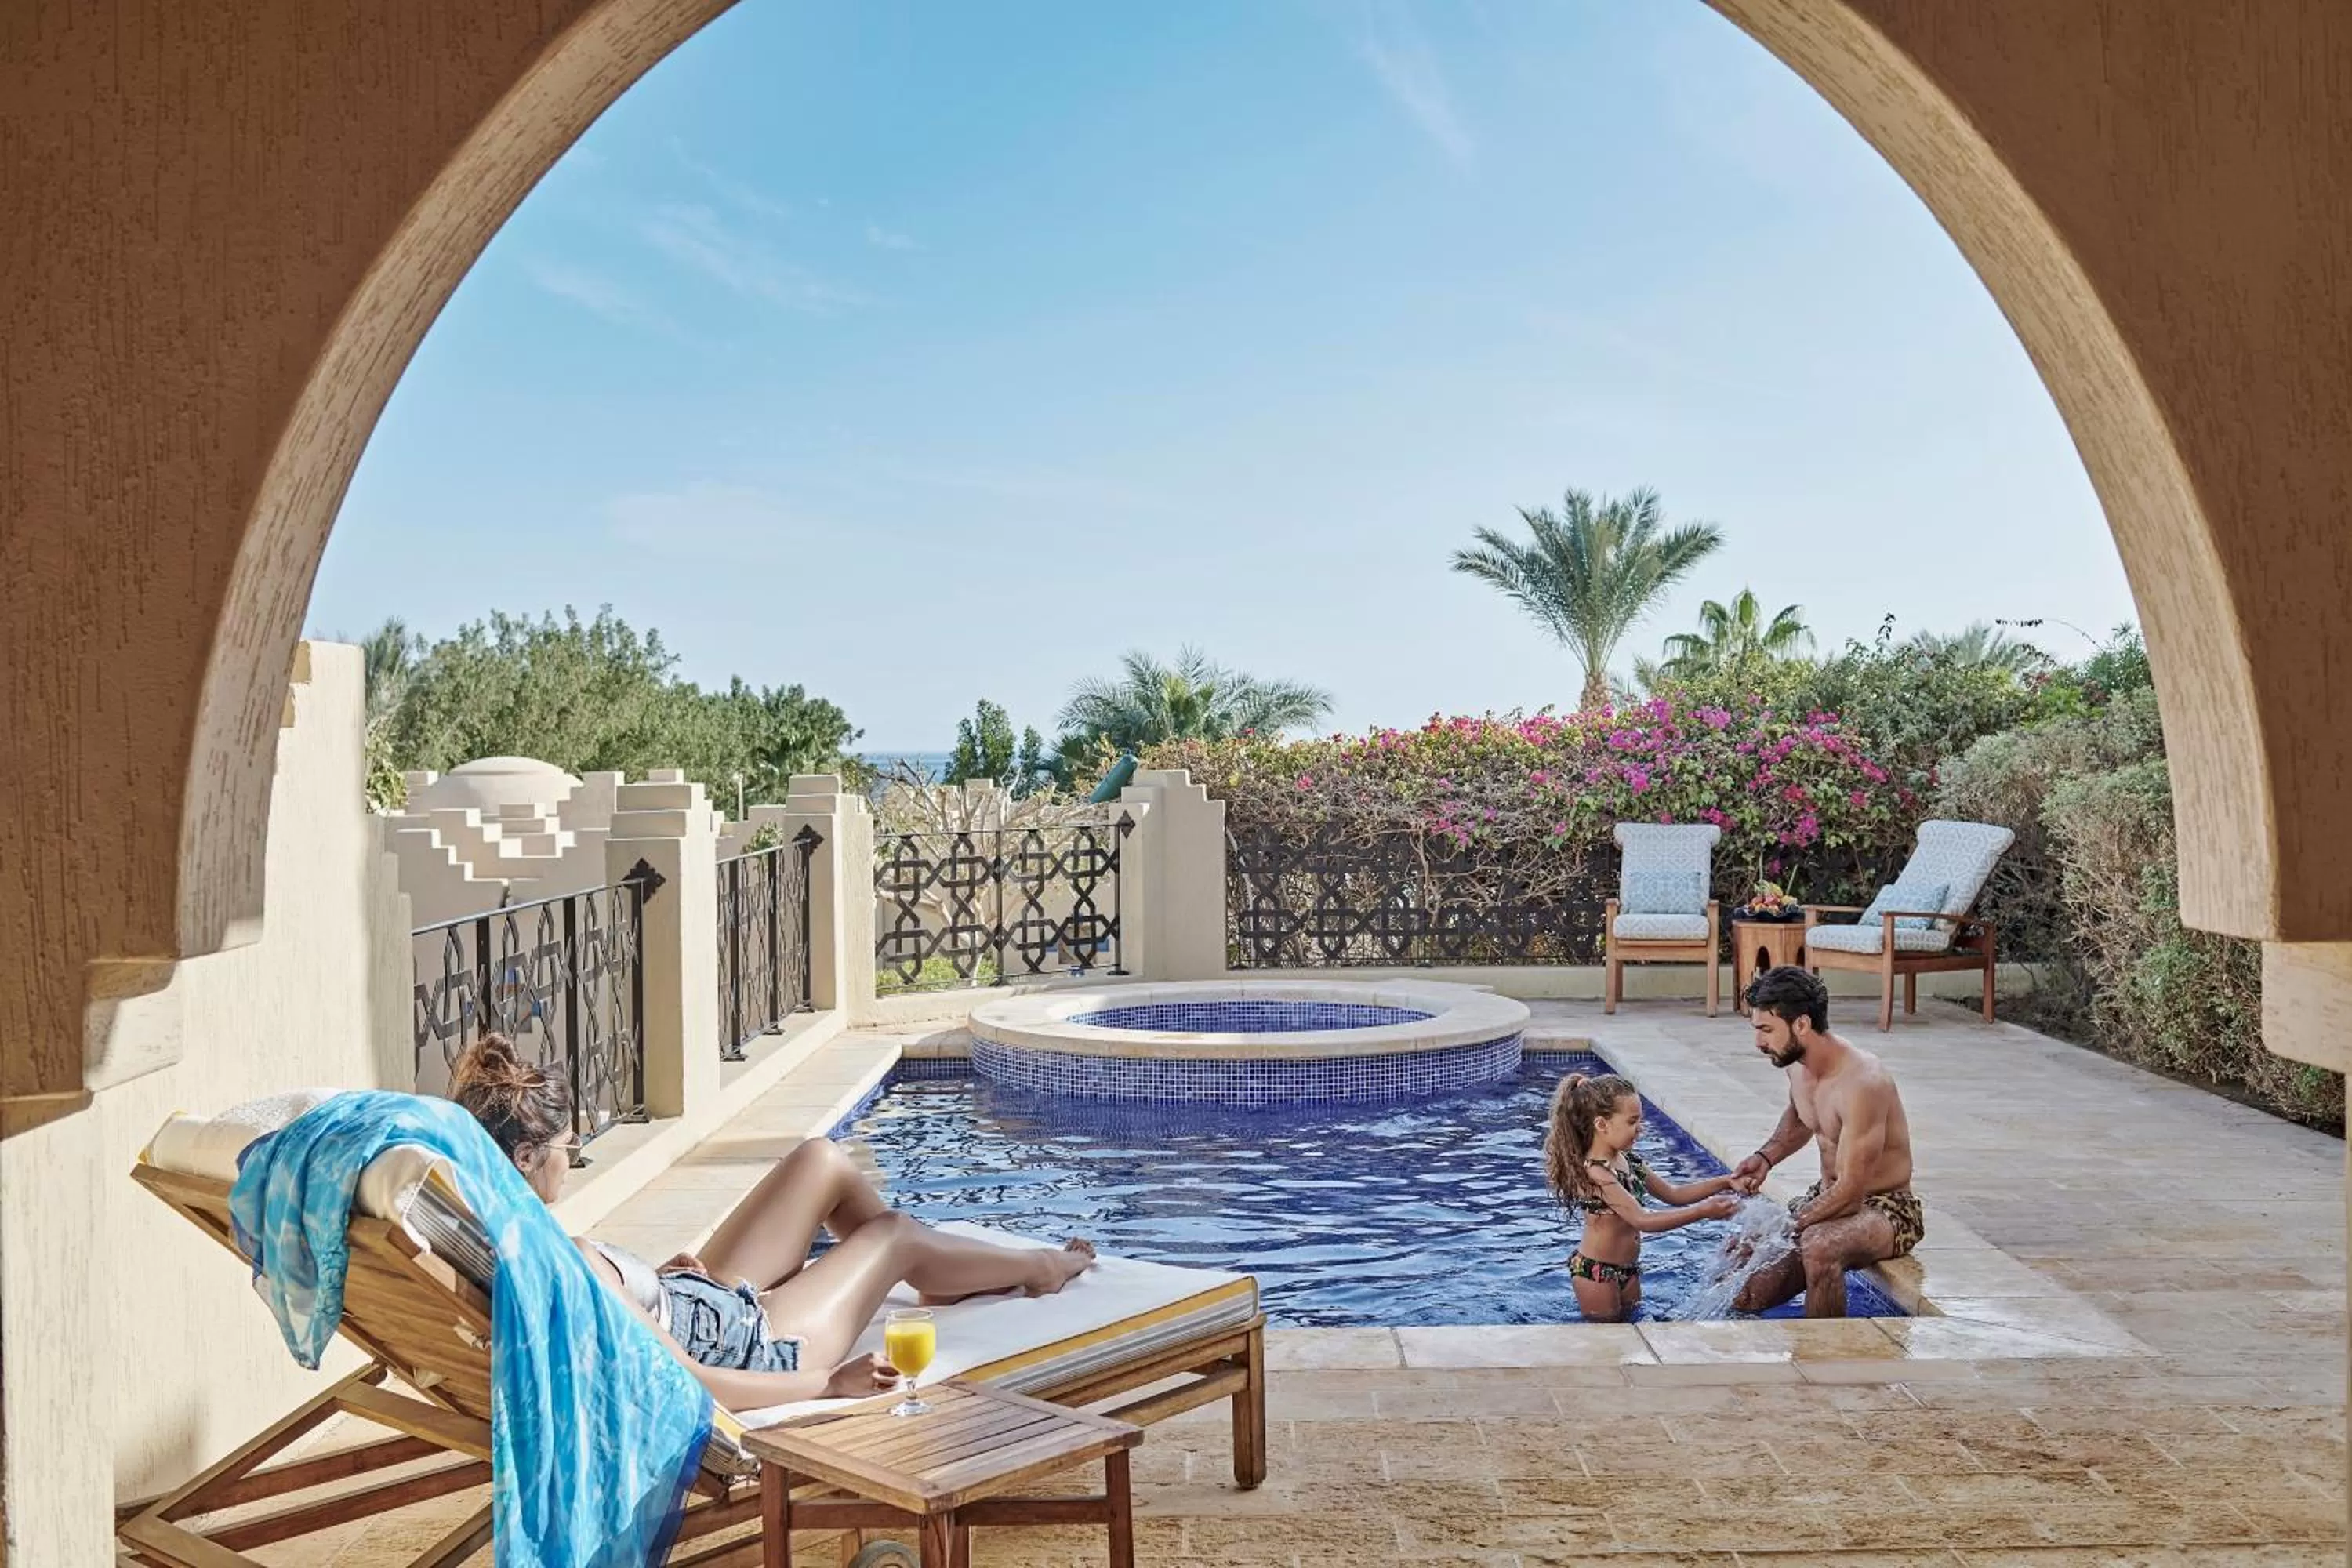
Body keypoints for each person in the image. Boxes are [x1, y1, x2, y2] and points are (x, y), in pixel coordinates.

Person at [448, 1033, 1095, 1411]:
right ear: (527, 1157)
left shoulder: (503, 1229)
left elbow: (619, 1317)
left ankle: (936, 1271)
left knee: (821, 1160)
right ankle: (1038, 1269)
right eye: (570, 1149)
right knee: (890, 1234)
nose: (575, 1162)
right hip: (757, 1345)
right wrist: (826, 1383)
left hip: (697, 1301)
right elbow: (688, 1384)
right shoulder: (560, 1262)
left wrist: (646, 1280)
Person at [1726, 966, 1925, 1316]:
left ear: (1802, 1024)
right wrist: (1767, 1156)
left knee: (1819, 1245)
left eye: (1766, 1030)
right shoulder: (1794, 1062)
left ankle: (1825, 1357)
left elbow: (1851, 1194)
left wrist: (1790, 1225)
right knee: (1741, 1251)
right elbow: (1803, 1115)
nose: (1758, 1042)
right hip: (1828, 1194)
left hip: (1885, 1208)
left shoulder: (1863, 1083)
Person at [1544, 1071, 1741, 1322]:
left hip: (1629, 1269)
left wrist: (1725, 1182)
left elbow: (1674, 1194)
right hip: (1596, 1273)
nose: (1640, 1129)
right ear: (1602, 1125)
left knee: (1630, 1334)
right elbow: (1642, 1220)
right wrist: (1703, 1211)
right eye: (1632, 1122)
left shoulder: (1628, 1161)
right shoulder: (1595, 1173)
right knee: (1607, 1340)